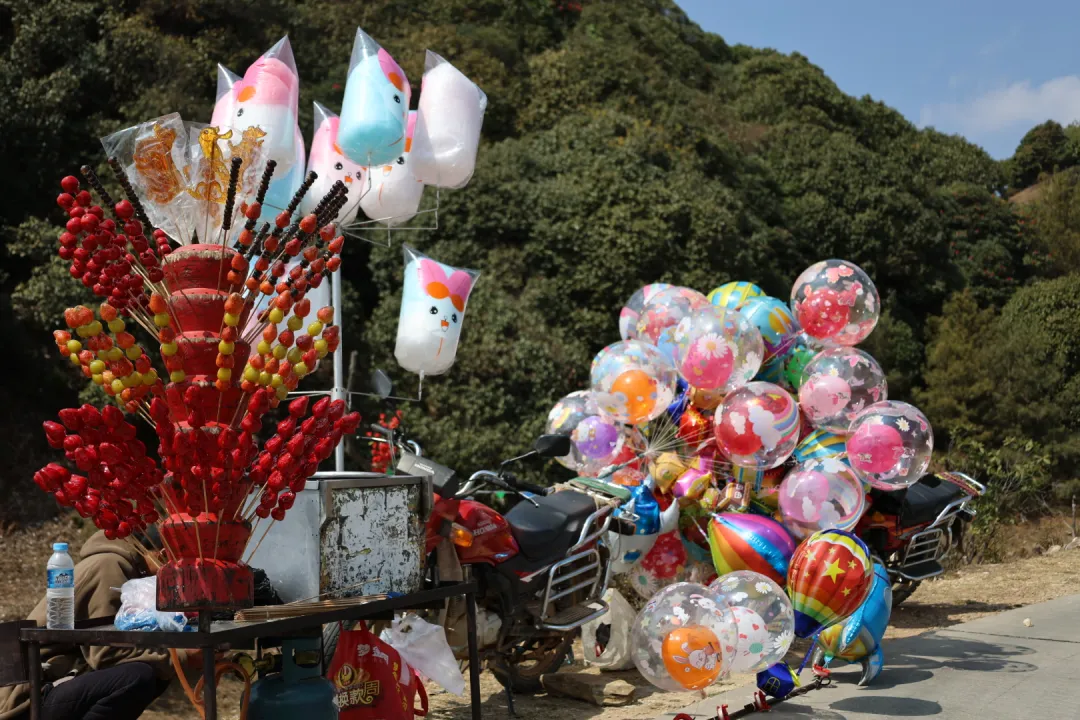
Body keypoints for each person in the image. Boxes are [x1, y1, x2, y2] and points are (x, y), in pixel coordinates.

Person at [0, 529, 199, 720]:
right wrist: (183, 657)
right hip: (27, 697)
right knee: (138, 677)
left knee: (157, 673)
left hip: (54, 679)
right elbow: (106, 654)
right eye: (181, 566)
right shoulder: (109, 567)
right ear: (163, 555)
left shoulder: (125, 568)